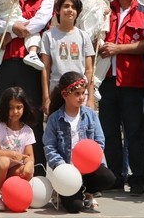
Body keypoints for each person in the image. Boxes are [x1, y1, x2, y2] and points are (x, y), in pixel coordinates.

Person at [0, 0, 53, 172]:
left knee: (32, 114)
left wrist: (14, 27)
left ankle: (36, 167)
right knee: (4, 113)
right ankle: (3, 166)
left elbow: (38, 23)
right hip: (6, 61)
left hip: (32, 64)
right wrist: (12, 27)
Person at [97, 0, 144, 195]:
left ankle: (138, 177)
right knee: (109, 131)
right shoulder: (104, 10)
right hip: (107, 80)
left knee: (135, 132)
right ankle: (116, 176)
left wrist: (118, 49)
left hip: (133, 80)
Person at [42, 72, 117, 213]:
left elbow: (99, 141)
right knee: (75, 207)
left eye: (83, 93)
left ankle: (88, 192)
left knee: (109, 178)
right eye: (77, 94)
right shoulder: (54, 119)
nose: (82, 97)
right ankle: (61, 190)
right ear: (65, 95)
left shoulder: (90, 115)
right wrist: (63, 167)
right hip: (67, 171)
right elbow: (50, 147)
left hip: (88, 168)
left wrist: (89, 162)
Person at [0, 86, 38, 211]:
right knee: (4, 161)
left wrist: (29, 164)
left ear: (24, 108)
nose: (15, 111)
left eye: (19, 107)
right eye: (11, 108)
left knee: (27, 170)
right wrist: (12, 154)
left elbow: (30, 156)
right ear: (4, 108)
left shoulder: (27, 131)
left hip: (12, 168)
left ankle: (9, 194)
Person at [40, 0, 95, 111]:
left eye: (74, 7)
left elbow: (89, 70)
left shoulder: (84, 36)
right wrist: (46, 98)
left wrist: (90, 98)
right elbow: (45, 67)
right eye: (66, 6)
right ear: (58, 10)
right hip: (56, 91)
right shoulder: (48, 36)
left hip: (79, 93)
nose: (70, 10)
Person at [77, 0, 111, 95]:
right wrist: (102, 12)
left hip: (99, 37)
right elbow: (86, 20)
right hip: (87, 36)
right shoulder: (86, 2)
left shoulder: (103, 3)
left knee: (107, 54)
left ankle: (95, 82)